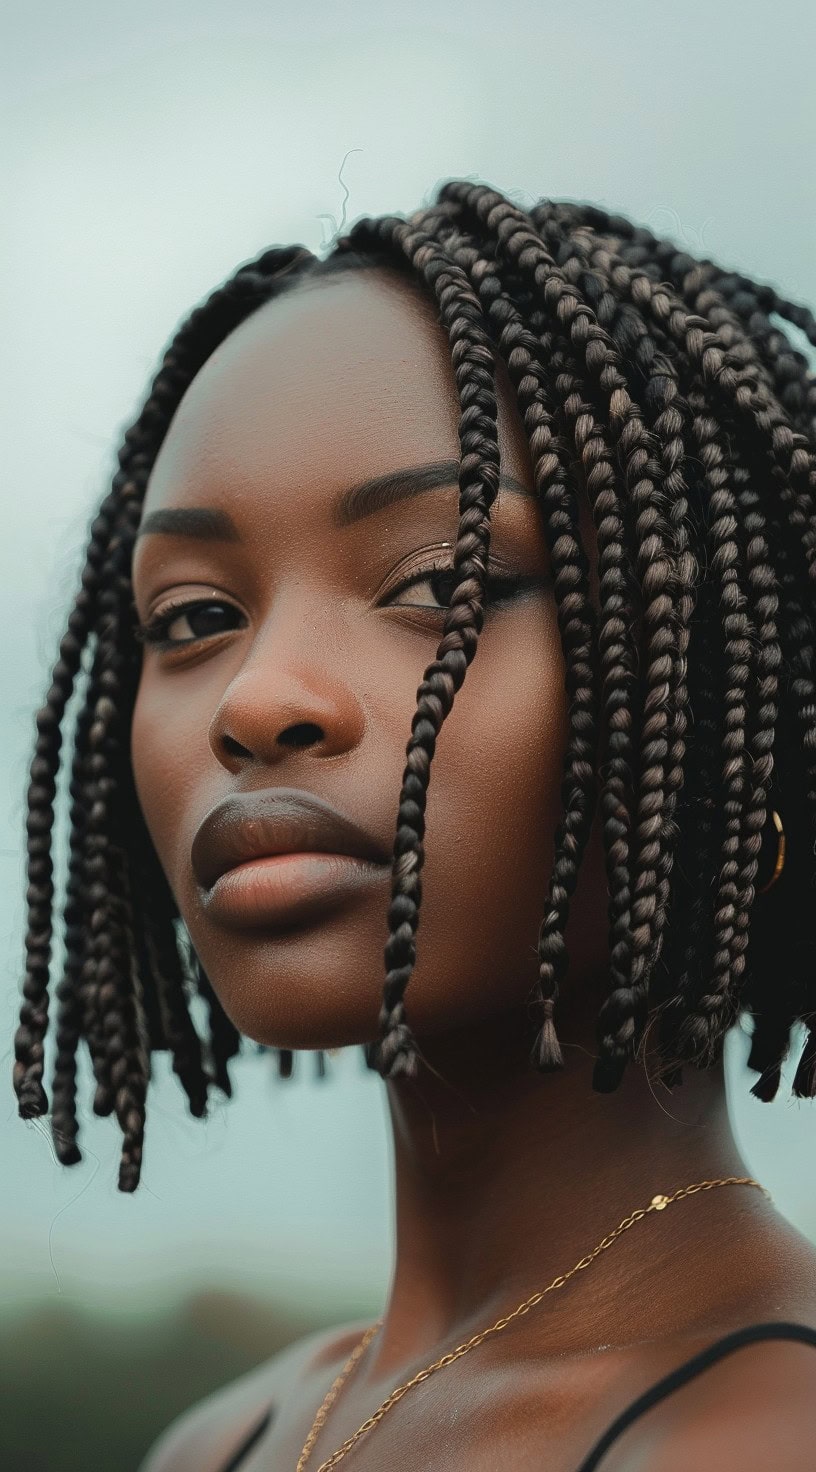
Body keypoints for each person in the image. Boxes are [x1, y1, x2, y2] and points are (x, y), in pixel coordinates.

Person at [12, 179, 816, 1470]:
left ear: (729, 693)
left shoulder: (760, 1435)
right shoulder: (223, 1441)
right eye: (196, 619)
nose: (259, 699)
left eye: (440, 582)